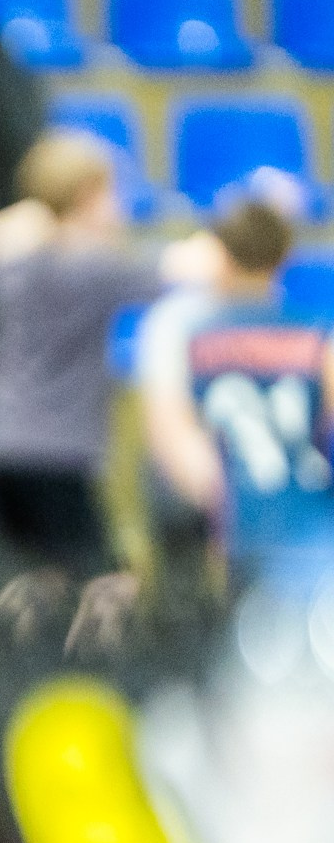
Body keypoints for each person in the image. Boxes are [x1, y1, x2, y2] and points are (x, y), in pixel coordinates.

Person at [0, 134, 176, 580]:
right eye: (110, 192)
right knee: (97, 585)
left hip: (0, 441)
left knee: (31, 584)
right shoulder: (96, 268)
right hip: (57, 454)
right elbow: (178, 274)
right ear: (86, 196)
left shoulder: (8, 260)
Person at [140, 198, 334, 573]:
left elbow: (172, 439)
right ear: (283, 256)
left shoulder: (181, 330)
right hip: (304, 518)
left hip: (227, 521)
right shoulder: (316, 334)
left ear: (220, 251)